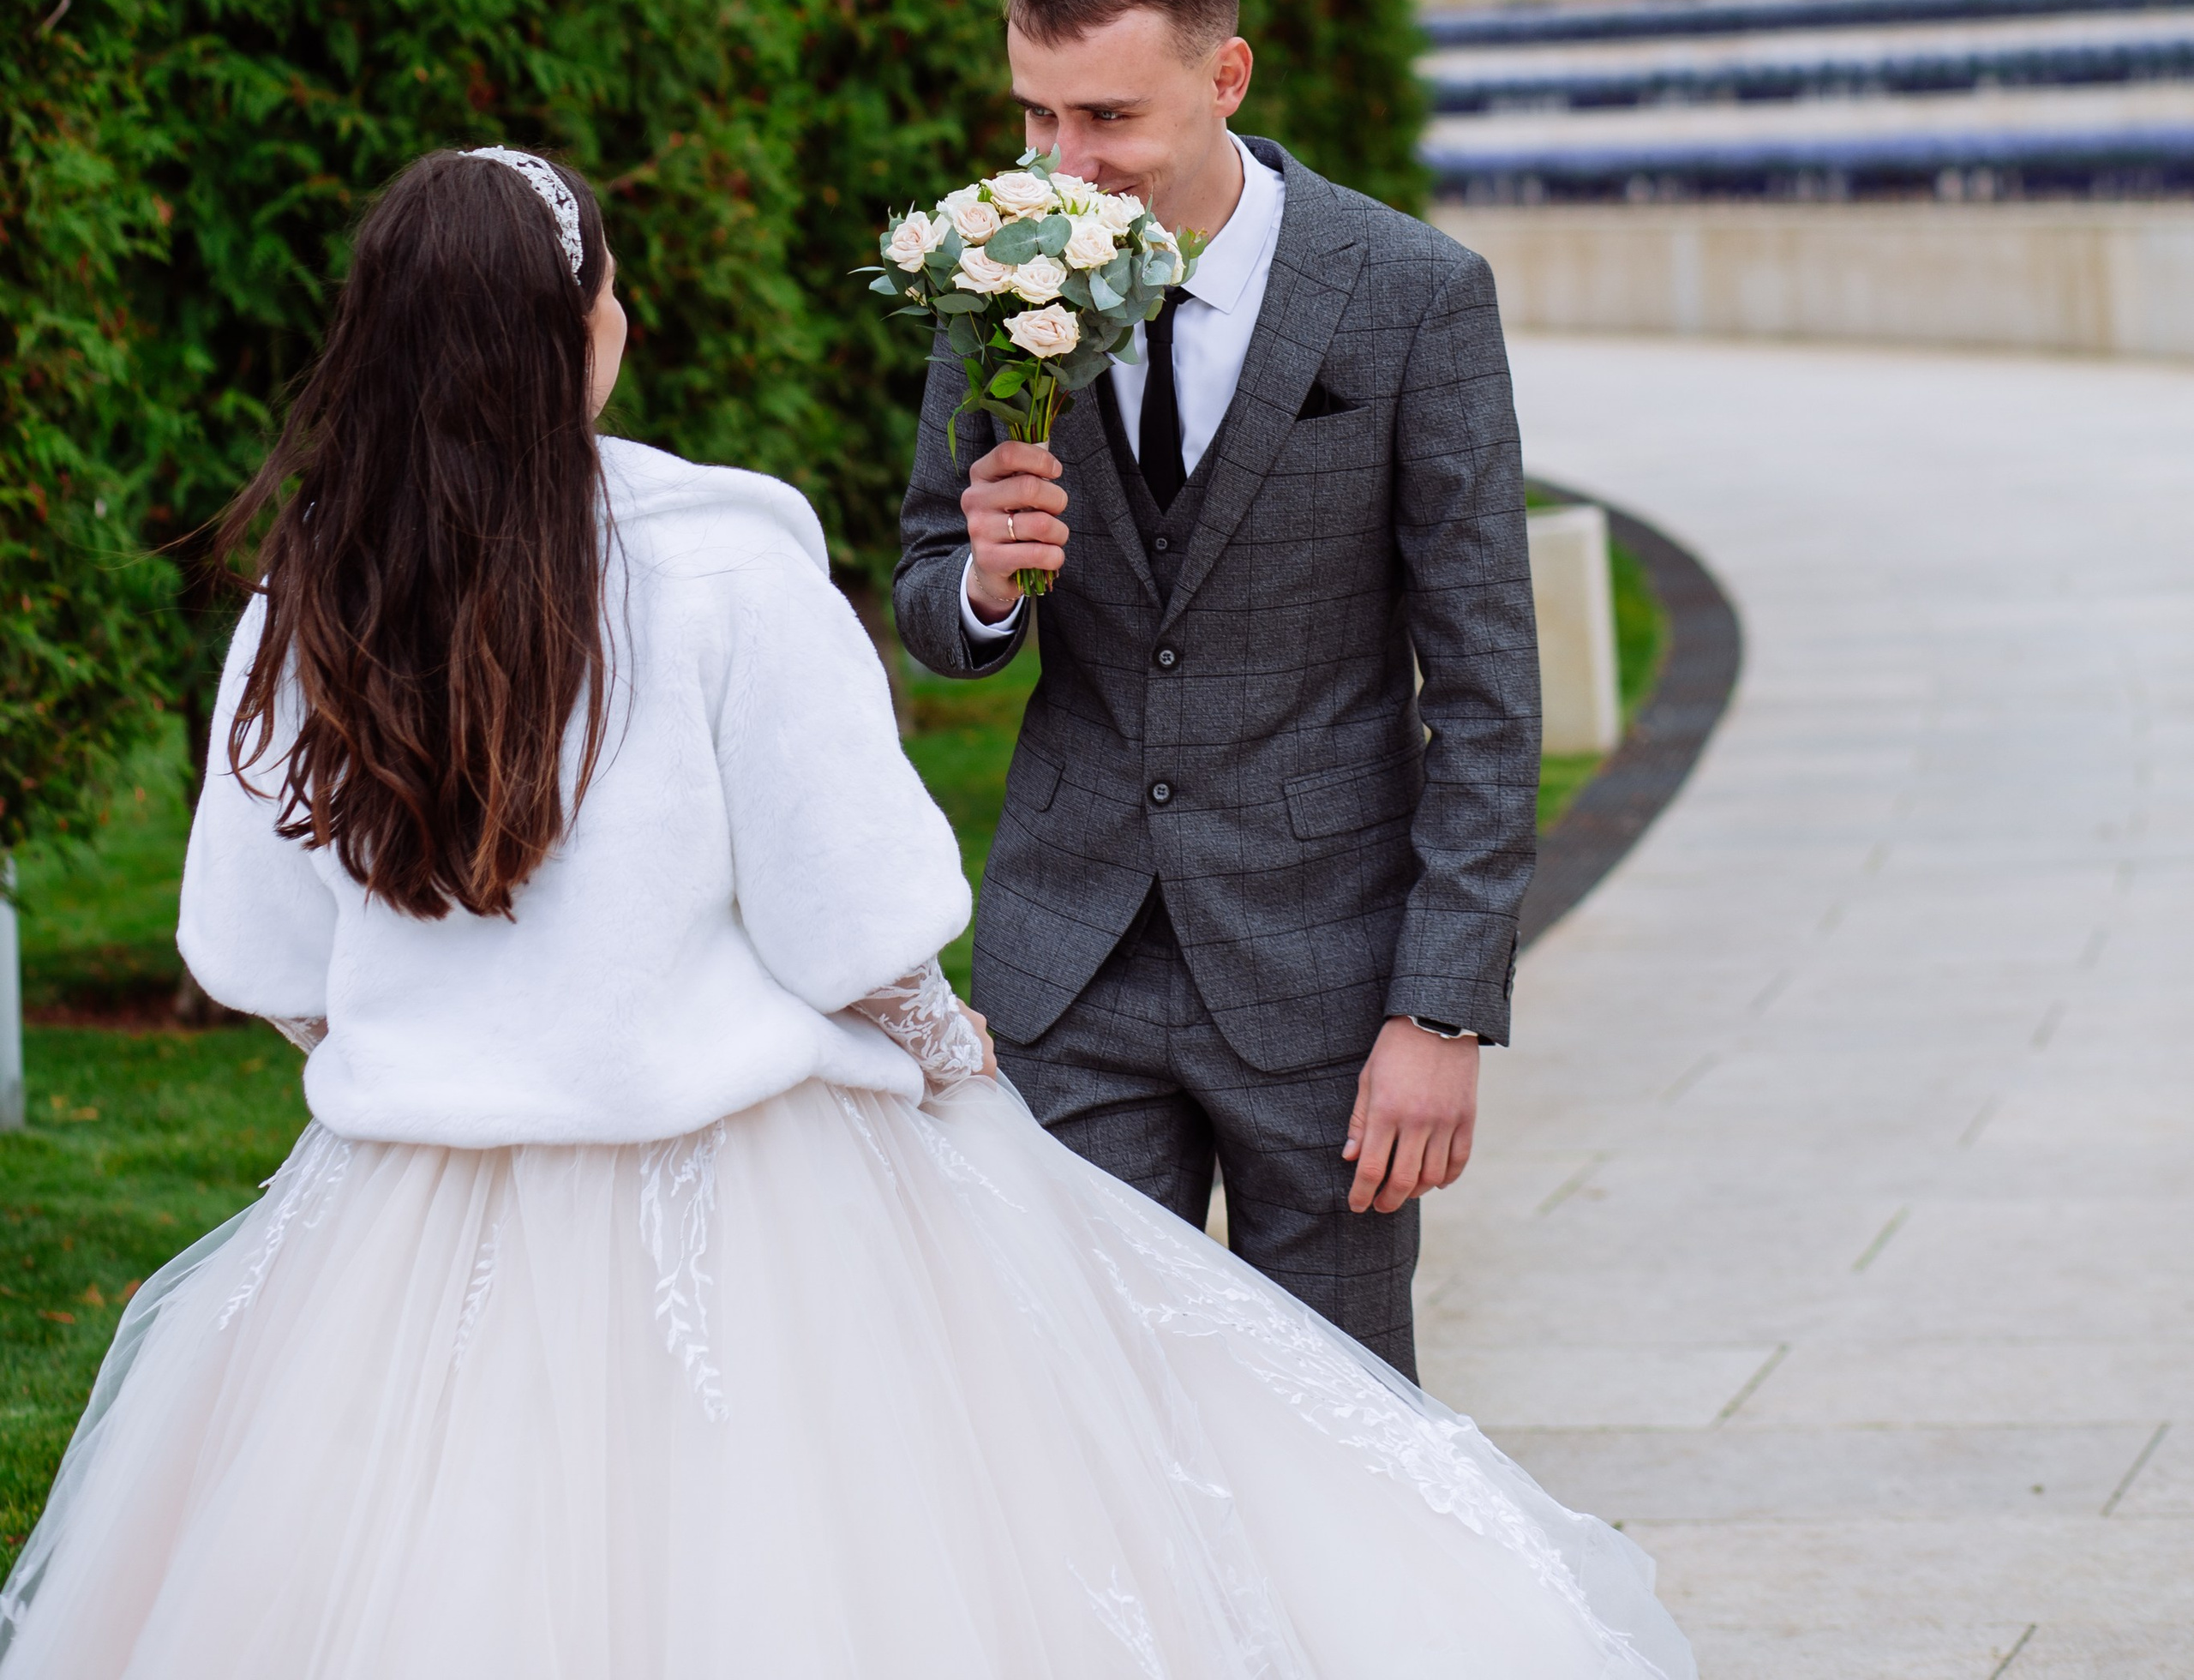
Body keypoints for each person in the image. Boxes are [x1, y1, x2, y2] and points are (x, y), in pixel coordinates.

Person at [0, 143, 1690, 1678]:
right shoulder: (724, 566)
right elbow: (854, 924)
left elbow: (257, 955)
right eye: (610, 291)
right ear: (579, 334)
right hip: (736, 1191)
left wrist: (434, 1041)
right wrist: (947, 1053)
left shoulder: (308, 598)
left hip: (402, 1211)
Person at [894, 0, 1540, 1380]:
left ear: (1226, 75)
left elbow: (1490, 688)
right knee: (1084, 1417)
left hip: (1330, 977)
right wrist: (982, 583)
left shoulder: (1412, 298)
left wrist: (1442, 1012)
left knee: (1346, 1418)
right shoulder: (990, 277)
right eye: (1036, 114)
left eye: (1107, 117)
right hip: (1070, 959)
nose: (1062, 163)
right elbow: (929, 585)